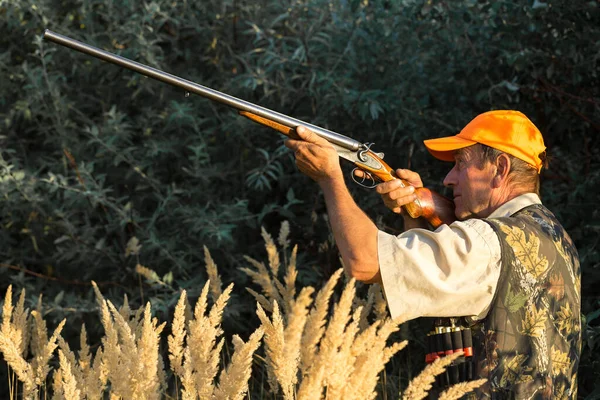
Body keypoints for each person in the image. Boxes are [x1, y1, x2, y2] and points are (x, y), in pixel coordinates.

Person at [285, 110, 580, 398]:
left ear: (500, 169)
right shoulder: (557, 237)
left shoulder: (485, 243)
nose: (449, 179)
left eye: (461, 164)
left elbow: (363, 262)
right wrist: (415, 214)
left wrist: (330, 178)